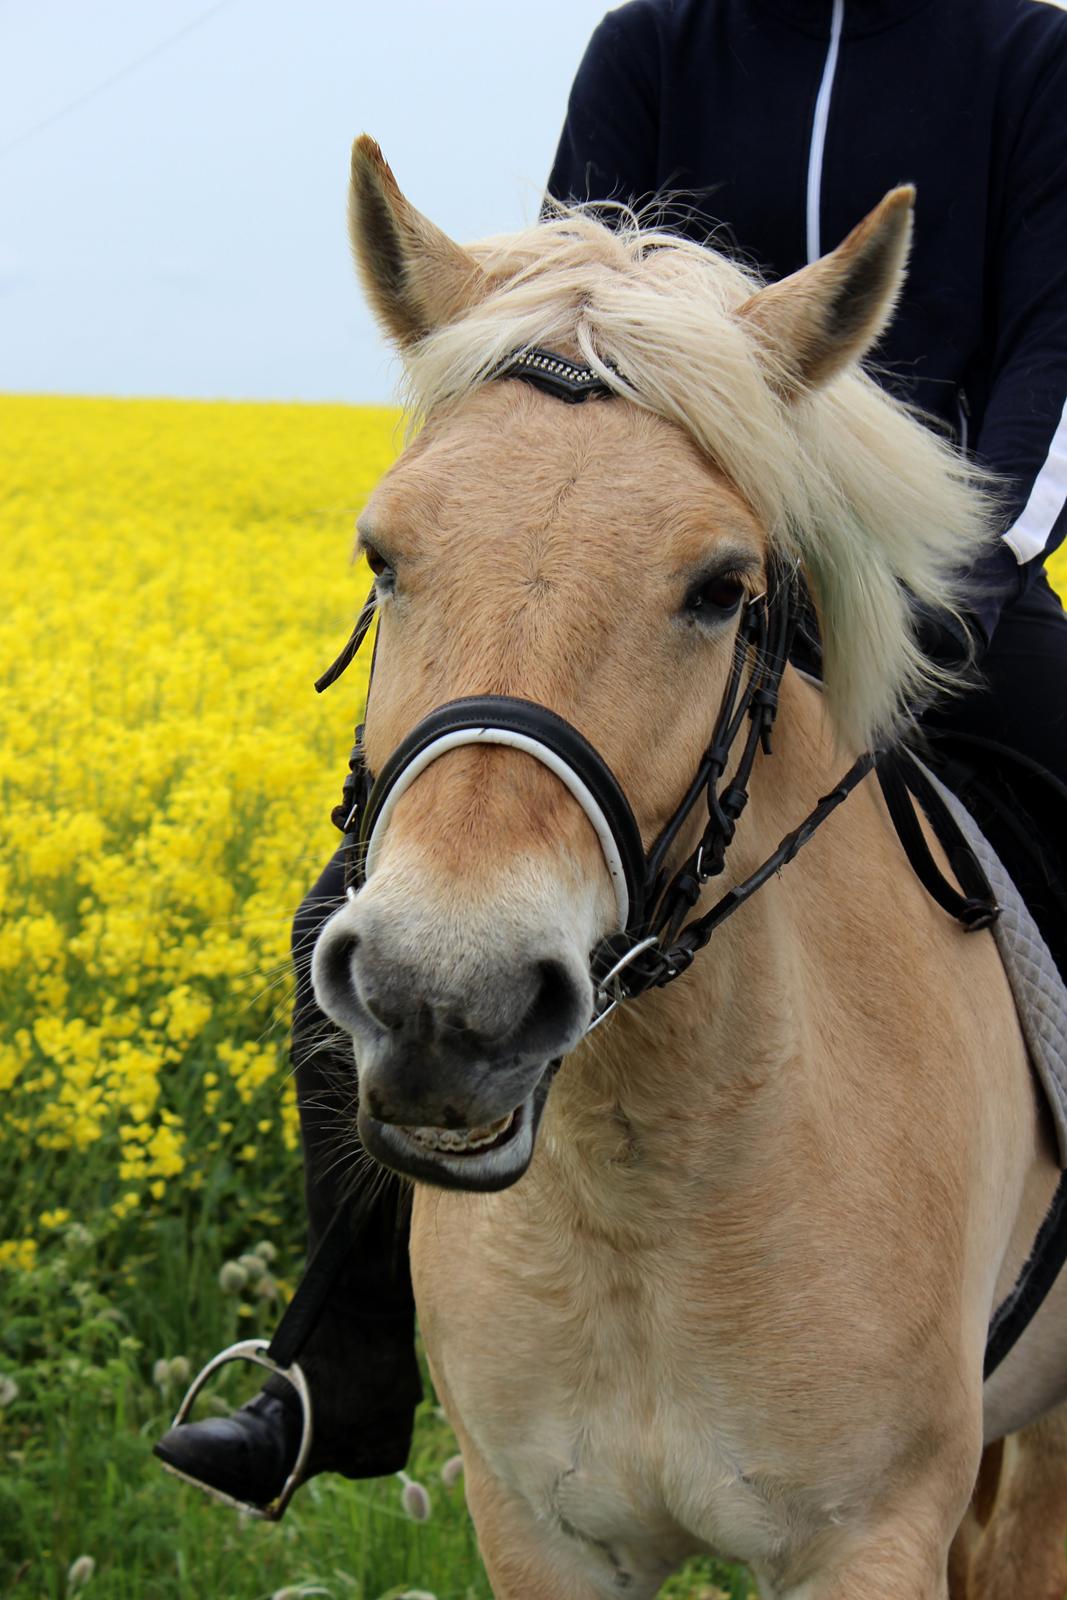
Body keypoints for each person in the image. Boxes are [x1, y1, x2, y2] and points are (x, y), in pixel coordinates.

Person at [155, 0, 1067, 1510]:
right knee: (360, 899)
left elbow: (1058, 336)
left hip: (925, 576)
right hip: (659, 558)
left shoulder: (1026, 60)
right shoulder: (654, 46)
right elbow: (562, 318)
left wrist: (963, 570)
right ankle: (341, 1364)